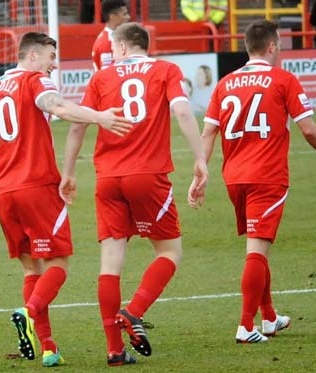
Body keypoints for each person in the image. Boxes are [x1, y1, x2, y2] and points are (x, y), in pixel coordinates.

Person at [0, 32, 131, 367]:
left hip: (3, 193)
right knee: (58, 263)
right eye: (52, 56)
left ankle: (50, 347)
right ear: (33, 56)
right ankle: (29, 312)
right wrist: (100, 117)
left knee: (30, 267)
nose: (55, 64)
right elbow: (55, 106)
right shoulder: (35, 80)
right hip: (36, 187)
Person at [60, 22, 208, 366]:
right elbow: (183, 111)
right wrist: (200, 159)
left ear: (124, 47)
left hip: (108, 178)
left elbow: (79, 124)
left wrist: (67, 172)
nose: (111, 52)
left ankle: (113, 349)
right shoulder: (166, 69)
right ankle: (134, 311)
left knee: (110, 263)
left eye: (113, 47)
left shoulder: (101, 78)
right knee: (170, 251)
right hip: (148, 174)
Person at [201, 20, 316, 344]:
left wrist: (200, 171)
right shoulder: (283, 79)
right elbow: (307, 128)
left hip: (234, 177)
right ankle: (246, 326)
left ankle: (270, 317)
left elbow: (208, 132)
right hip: (266, 176)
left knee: (258, 245)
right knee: (257, 251)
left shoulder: (226, 83)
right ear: (273, 46)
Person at [91, 0, 130, 71]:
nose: (128, 17)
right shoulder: (108, 42)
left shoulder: (111, 37)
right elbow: (107, 74)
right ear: (113, 16)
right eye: (124, 14)